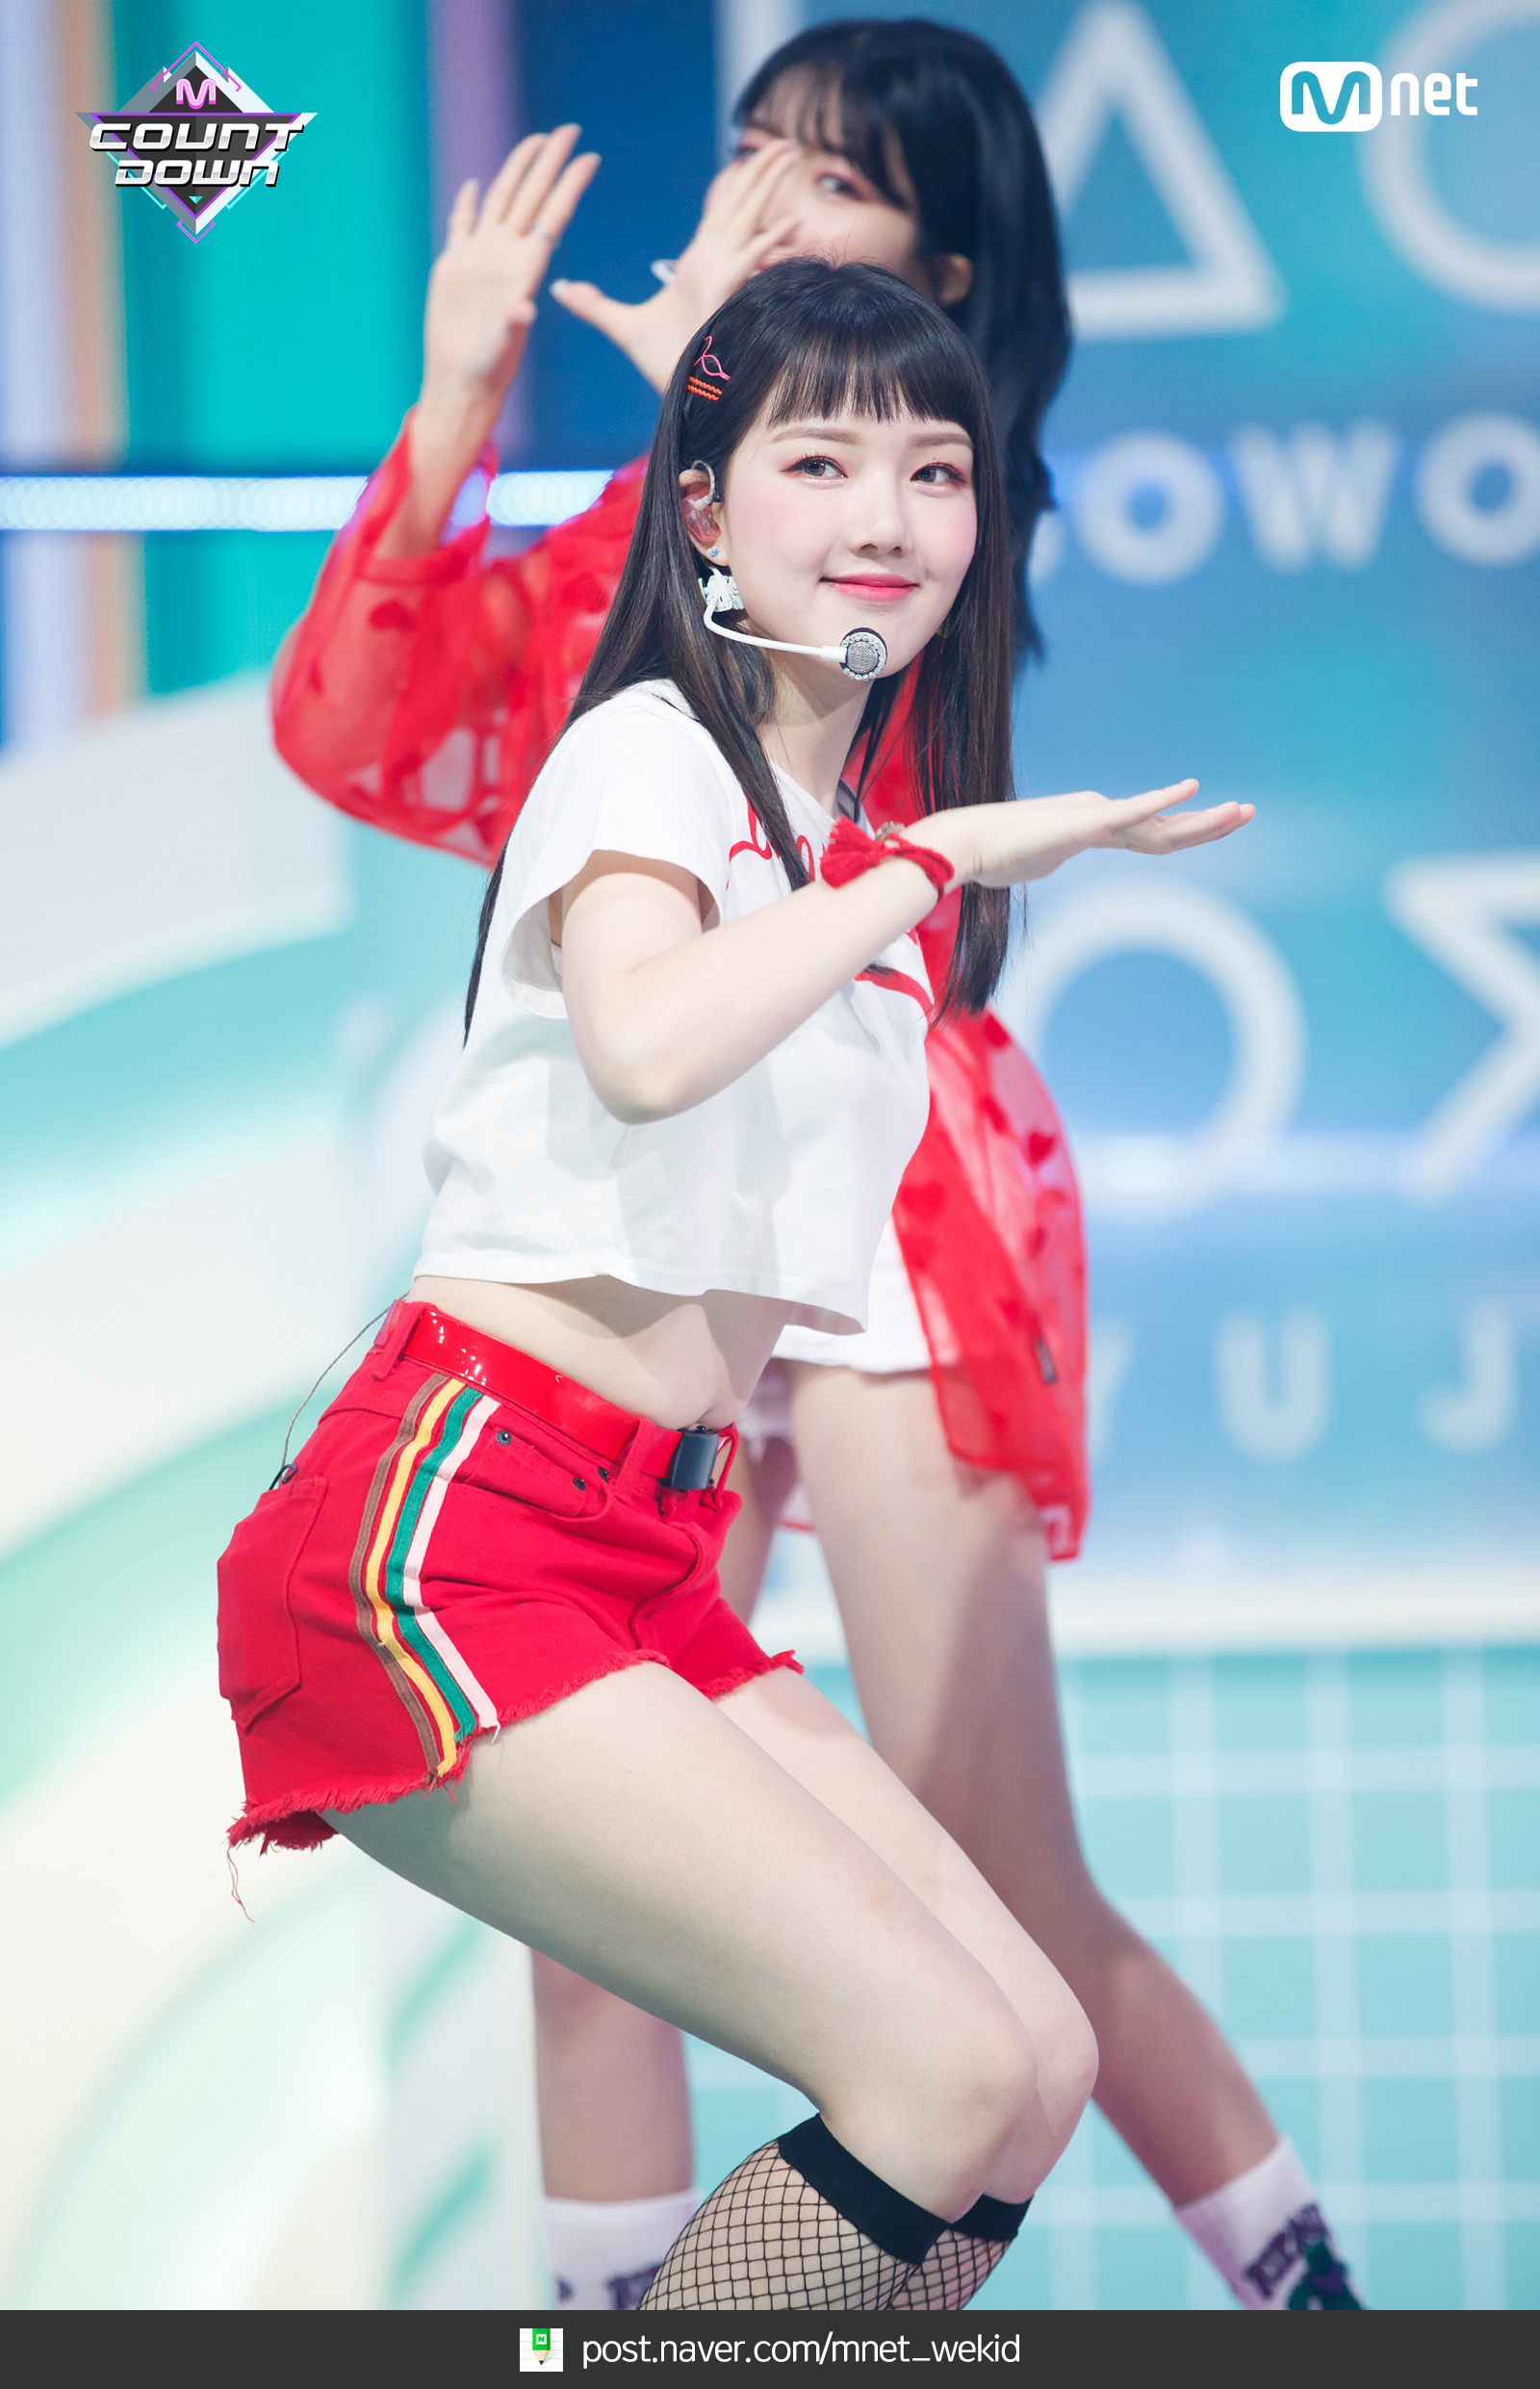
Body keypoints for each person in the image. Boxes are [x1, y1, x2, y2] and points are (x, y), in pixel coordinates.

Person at [270, 19, 1360, 2315]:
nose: (764, 201)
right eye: (749, 152)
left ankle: (1301, 2299)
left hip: (883, 1198)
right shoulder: (668, 664)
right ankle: (622, 2330)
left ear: (940, 294)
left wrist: (740, 408)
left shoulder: (888, 546)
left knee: (994, 1951)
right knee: (643, 1934)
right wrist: (483, 404)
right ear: (715, 488)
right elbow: (467, 744)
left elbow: (800, 732)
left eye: (830, 184)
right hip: (578, 1339)